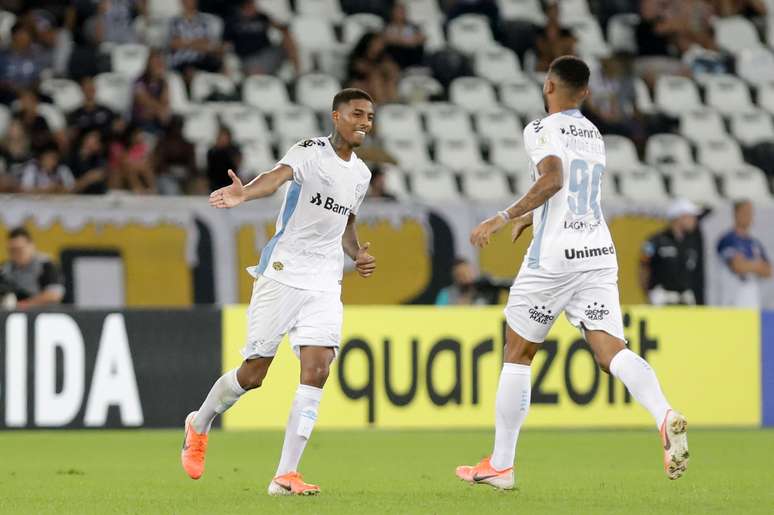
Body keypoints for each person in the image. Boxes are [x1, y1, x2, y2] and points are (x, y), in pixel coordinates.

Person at [456, 56, 688, 490]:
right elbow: (568, 190)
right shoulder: (594, 133)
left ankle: (501, 465)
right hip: (598, 251)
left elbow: (554, 180)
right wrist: (536, 216)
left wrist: (504, 217)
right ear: (585, 93)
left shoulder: (540, 128)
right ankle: (663, 413)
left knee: (518, 351)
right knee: (610, 351)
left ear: (548, 87)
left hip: (555, 259)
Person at [181, 88, 377, 496]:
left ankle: (284, 476)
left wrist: (357, 254)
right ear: (336, 116)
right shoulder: (309, 150)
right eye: (357, 113)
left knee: (318, 369)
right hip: (283, 272)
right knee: (253, 374)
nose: (364, 122)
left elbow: (348, 223)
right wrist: (244, 192)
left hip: (325, 281)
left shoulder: (362, 174)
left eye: (370, 117)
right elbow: (274, 179)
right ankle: (199, 423)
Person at [640, 199, 703, 306]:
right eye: (691, 216)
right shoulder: (656, 240)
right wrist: (648, 293)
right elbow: (643, 266)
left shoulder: (692, 242)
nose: (694, 220)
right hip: (661, 296)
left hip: (685, 296)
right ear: (679, 218)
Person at [716, 200, 771, 307]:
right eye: (745, 212)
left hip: (752, 302)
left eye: (750, 213)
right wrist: (757, 265)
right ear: (736, 213)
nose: (749, 217)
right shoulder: (728, 239)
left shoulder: (754, 243)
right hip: (732, 302)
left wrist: (748, 264)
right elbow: (738, 266)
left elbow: (768, 271)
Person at [224, 0, 300, 76]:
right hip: (245, 58)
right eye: (252, 3)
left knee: (288, 40)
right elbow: (226, 43)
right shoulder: (234, 19)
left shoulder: (261, 17)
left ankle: (297, 73)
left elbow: (283, 29)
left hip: (266, 55)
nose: (255, 5)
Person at [0, 227, 64, 309]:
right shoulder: (6, 267)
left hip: (43, 314)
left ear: (31, 246)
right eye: (12, 250)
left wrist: (23, 304)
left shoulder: (46, 265)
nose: (16, 254)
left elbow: (54, 295)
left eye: (19, 249)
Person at [436, 257, 508, 305]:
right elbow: (438, 315)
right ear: (455, 277)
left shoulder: (485, 291)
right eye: (461, 275)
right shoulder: (446, 294)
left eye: (468, 272)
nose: (466, 277)